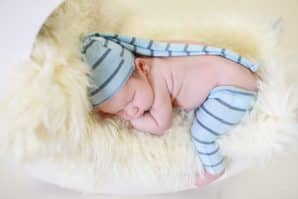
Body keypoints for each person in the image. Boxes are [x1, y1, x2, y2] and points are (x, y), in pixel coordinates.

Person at [80, 32, 259, 187]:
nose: (131, 112)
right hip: (234, 73)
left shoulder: (158, 84)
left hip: (232, 90)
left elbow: (161, 125)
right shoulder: (151, 65)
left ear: (142, 67)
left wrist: (133, 122)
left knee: (201, 135)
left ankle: (215, 169)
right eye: (119, 112)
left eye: (131, 99)